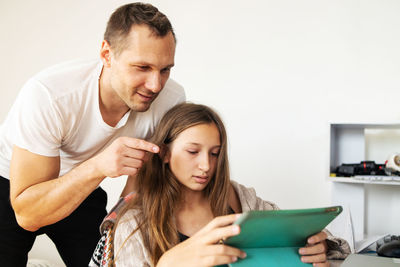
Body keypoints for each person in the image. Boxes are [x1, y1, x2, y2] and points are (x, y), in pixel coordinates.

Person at [0, 3, 185, 266]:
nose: (155, 85)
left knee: (109, 261)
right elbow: (28, 215)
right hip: (14, 187)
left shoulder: (170, 100)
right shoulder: (50, 95)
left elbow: (141, 183)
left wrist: (120, 231)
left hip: (82, 188)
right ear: (107, 54)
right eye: (142, 67)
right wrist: (99, 165)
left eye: (165, 69)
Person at [91, 103, 350, 267]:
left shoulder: (240, 198)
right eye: (193, 152)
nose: (206, 165)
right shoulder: (133, 222)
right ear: (165, 154)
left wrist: (321, 246)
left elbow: (337, 249)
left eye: (214, 153)